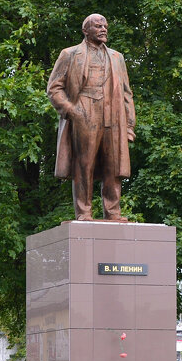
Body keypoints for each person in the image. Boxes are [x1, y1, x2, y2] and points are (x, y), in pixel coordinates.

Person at [47, 14, 136, 221]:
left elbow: (126, 94)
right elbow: (54, 88)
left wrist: (129, 126)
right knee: (83, 164)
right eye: (98, 26)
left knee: (114, 165)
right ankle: (84, 212)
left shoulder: (117, 57)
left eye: (105, 25)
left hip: (113, 114)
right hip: (84, 110)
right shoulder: (70, 54)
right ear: (86, 31)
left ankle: (113, 212)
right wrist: (71, 110)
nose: (103, 29)